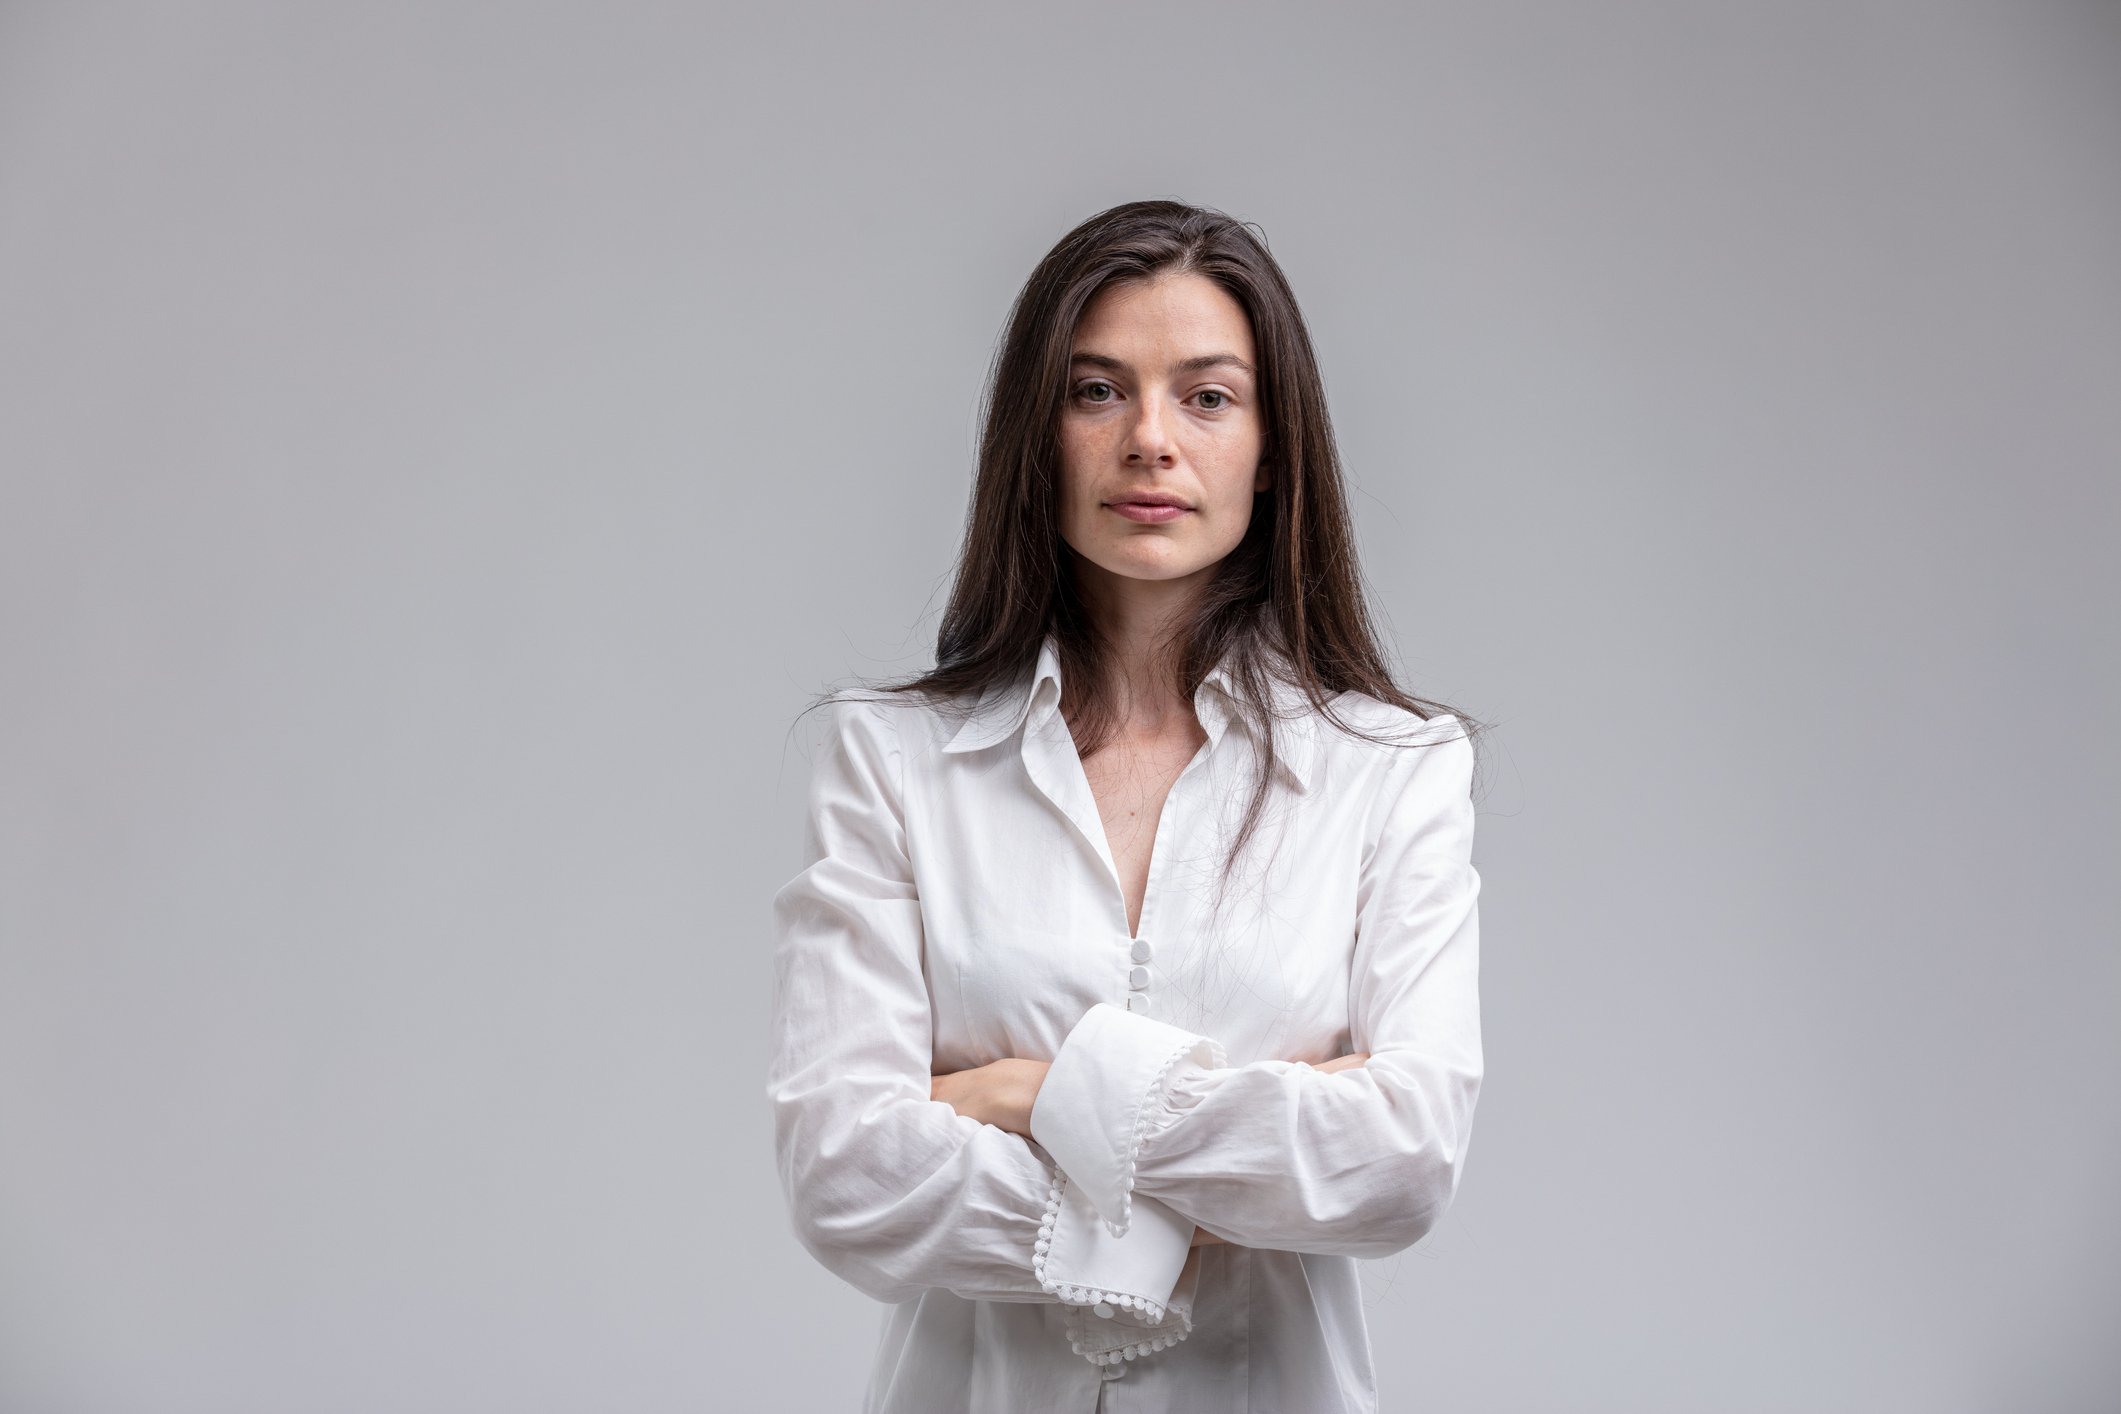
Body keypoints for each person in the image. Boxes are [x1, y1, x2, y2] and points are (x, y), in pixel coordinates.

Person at [766, 197, 1486, 1414]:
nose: (1152, 439)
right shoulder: (891, 758)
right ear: (1032, 438)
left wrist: (1028, 1095)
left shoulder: (1395, 767)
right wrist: (1234, 1165)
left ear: (1274, 447)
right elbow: (846, 1177)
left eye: (1208, 396)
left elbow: (1400, 1162)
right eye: (1097, 391)